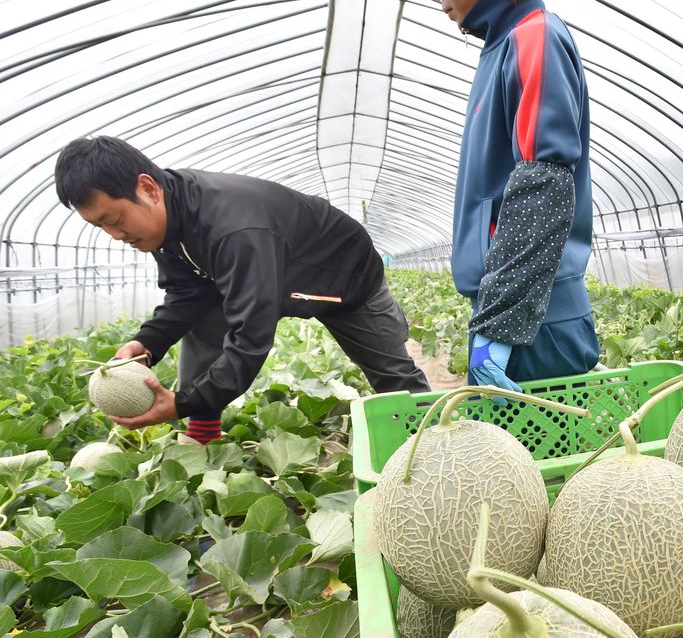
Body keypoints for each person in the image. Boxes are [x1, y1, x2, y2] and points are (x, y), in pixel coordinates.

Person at [55, 136, 430, 442]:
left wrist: (183, 402)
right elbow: (186, 295)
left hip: (344, 275)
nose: (116, 235)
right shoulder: (166, 225)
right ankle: (202, 433)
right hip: (275, 270)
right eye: (101, 227)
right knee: (203, 313)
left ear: (148, 188)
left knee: (392, 373)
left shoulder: (234, 229)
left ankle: (435, 440)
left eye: (115, 220)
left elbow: (251, 337)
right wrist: (147, 343)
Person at [402, 0, 600, 400]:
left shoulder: (534, 36)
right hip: (511, 308)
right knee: (512, 471)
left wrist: (502, 325)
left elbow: (544, 181)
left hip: (533, 317)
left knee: (542, 469)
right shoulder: (501, 47)